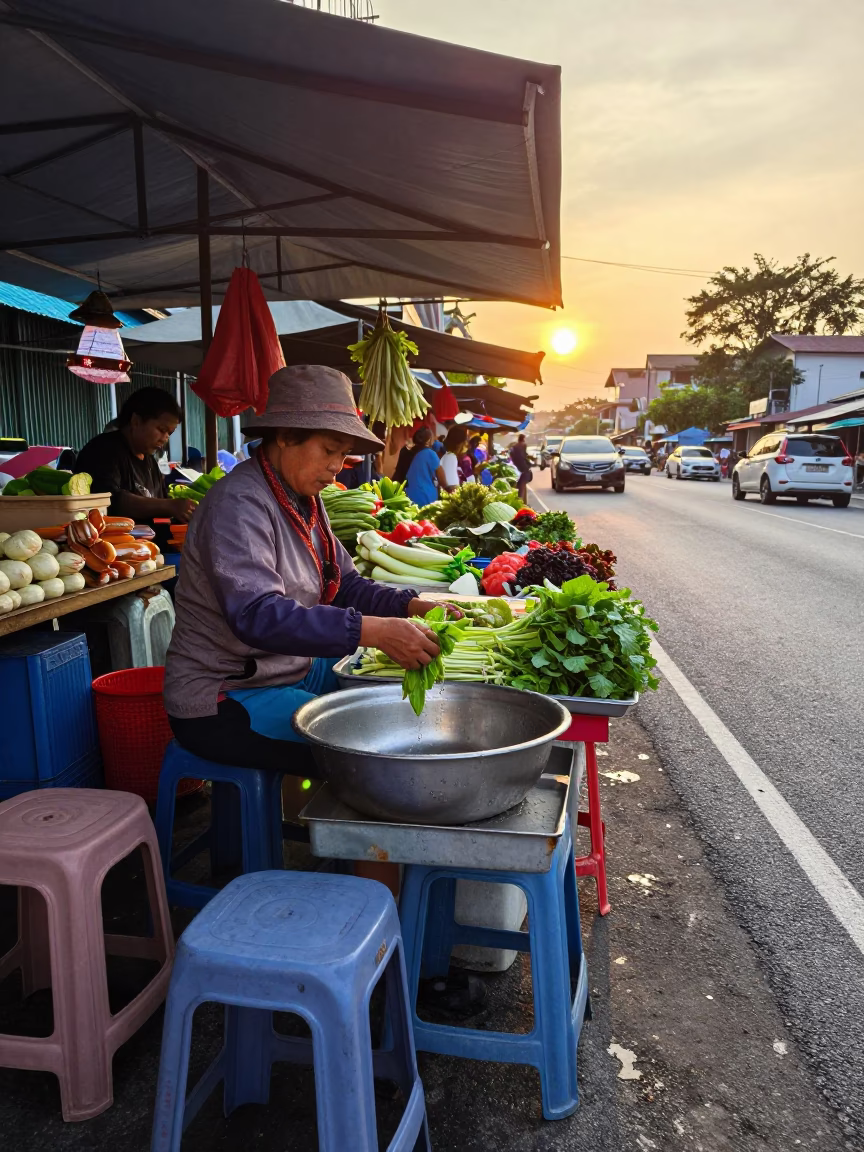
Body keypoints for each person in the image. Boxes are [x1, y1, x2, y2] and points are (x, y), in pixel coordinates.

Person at [163, 364, 453, 778]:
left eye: (342, 454)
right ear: (284, 436)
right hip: (227, 696)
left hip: (289, 669)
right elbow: (257, 615)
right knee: (379, 745)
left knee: (405, 710)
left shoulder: (304, 500)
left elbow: (347, 584)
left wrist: (412, 606)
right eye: (329, 450)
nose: (337, 466)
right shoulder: (239, 504)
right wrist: (373, 632)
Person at [76, 387, 196, 528]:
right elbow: (110, 500)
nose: (165, 439)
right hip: (115, 546)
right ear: (136, 421)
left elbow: (160, 502)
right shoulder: (103, 450)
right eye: (162, 430)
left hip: (150, 545)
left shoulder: (149, 461)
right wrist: (170, 505)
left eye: (169, 433)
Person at [403, 426, 447, 506]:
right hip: (425, 498)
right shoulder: (430, 453)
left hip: (407, 496)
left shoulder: (408, 451)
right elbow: (442, 480)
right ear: (429, 440)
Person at [439, 426, 468, 491]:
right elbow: (452, 485)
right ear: (459, 444)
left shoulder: (448, 455)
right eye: (464, 442)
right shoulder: (451, 457)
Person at [509, 433, 534, 503]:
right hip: (523, 467)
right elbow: (524, 455)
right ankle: (522, 502)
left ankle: (520, 501)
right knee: (522, 486)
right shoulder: (523, 445)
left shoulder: (514, 446)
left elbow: (512, 455)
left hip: (516, 467)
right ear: (523, 439)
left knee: (518, 485)